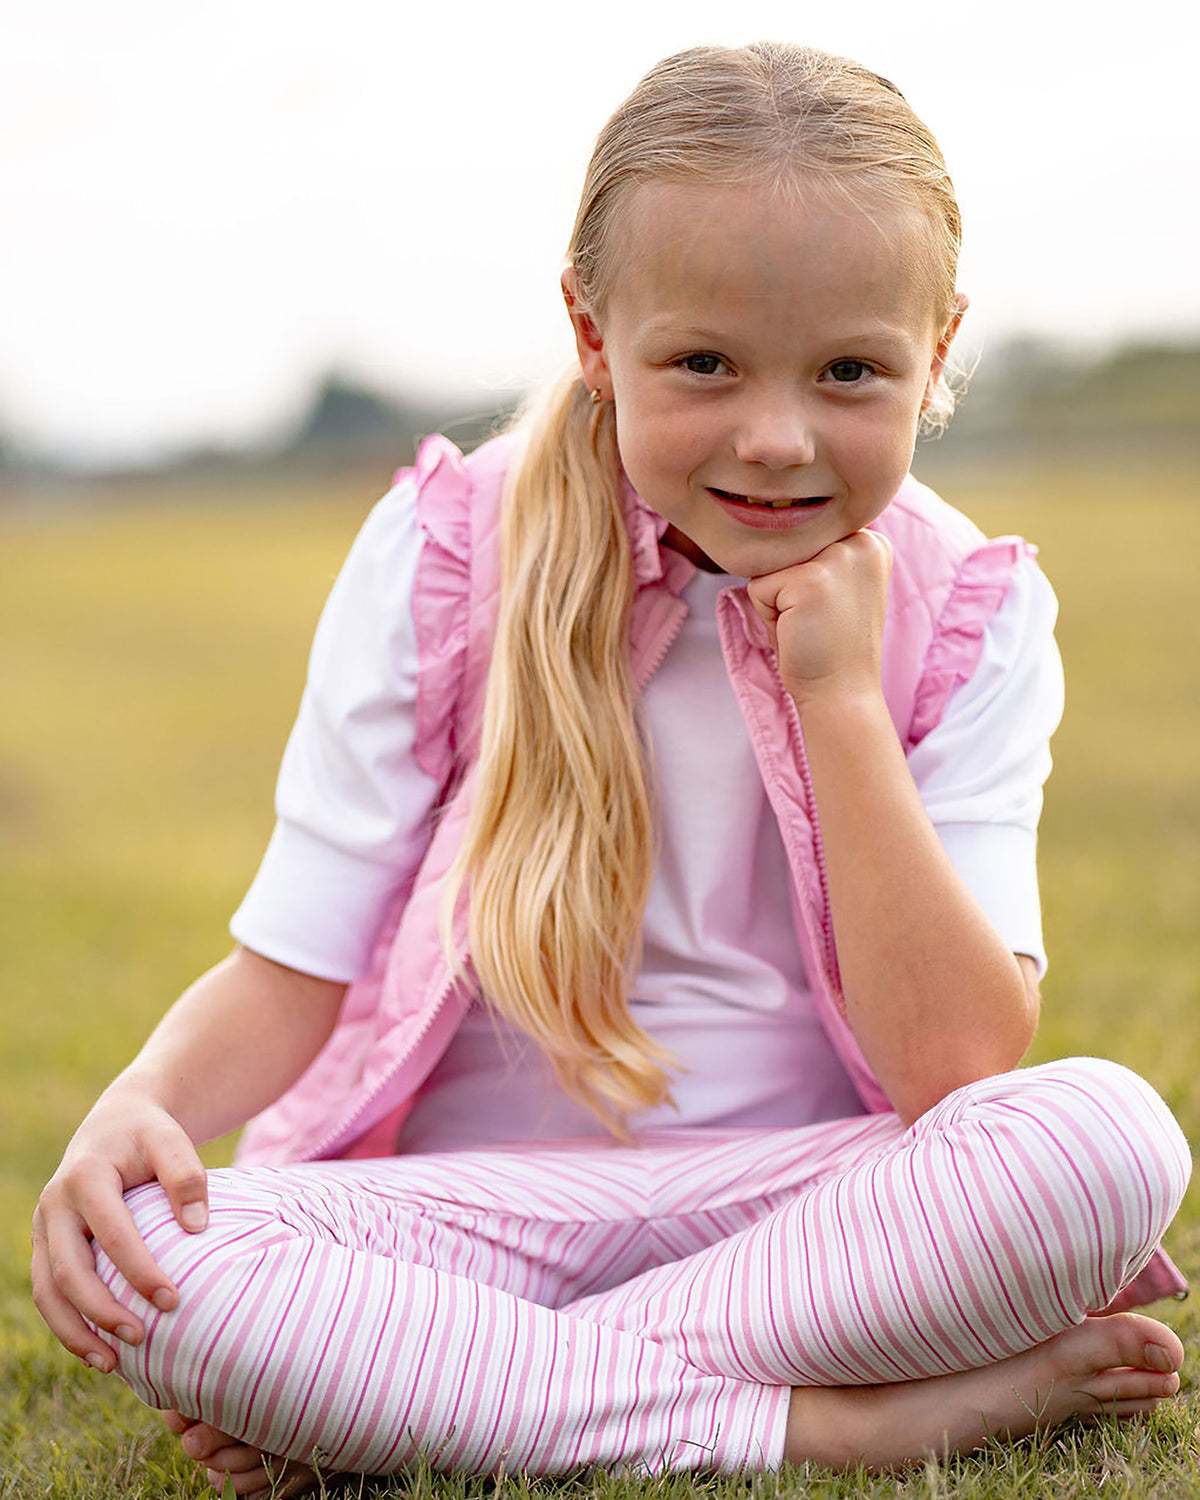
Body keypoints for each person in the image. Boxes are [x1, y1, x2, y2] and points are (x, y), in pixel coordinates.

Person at [32, 40, 1190, 1498]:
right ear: (592, 333)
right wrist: (139, 1100)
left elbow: (954, 1066)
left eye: (850, 372)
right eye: (704, 364)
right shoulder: (446, 553)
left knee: (1105, 1141)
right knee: (167, 1257)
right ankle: (833, 1423)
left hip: (803, 1221)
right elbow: (293, 967)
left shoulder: (970, 607)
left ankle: (443, 1388)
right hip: (458, 1221)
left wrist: (837, 697)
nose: (777, 438)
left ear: (938, 350)